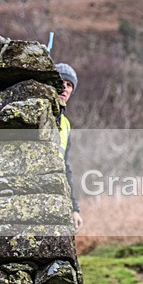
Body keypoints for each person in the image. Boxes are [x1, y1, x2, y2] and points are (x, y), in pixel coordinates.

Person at [55, 62, 83, 233]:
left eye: (69, 85)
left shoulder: (65, 124)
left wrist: (74, 209)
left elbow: (66, 167)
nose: (64, 88)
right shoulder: (37, 112)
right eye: (61, 83)